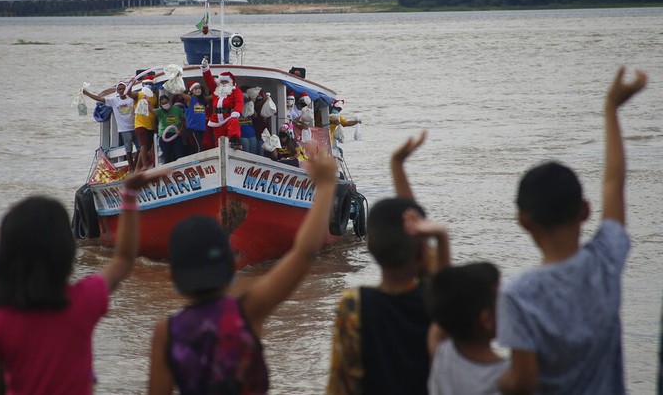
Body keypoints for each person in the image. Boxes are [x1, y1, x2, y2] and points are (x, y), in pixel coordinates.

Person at [497, 67, 647, 395]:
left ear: (523, 220)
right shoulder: (606, 262)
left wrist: (495, 377)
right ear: (585, 211)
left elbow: (522, 383)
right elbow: (614, 183)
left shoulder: (518, 295)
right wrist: (611, 109)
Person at [147, 152, 339, 394]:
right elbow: (303, 253)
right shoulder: (247, 311)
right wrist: (325, 185)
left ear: (172, 276)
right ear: (231, 265)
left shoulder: (167, 333)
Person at [0, 169, 163, 395]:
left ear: (6, 255)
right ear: (65, 252)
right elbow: (124, 259)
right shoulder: (82, 301)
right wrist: (129, 196)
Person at [327, 130, 450, 395]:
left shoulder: (355, 306)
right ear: (422, 251)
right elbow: (442, 279)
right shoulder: (435, 302)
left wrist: (395, 164)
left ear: (369, 247)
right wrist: (398, 165)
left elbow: (341, 384)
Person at [425, 262, 509, 395]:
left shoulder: (443, 355)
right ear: (486, 320)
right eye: (503, 301)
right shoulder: (512, 380)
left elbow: (442, 310)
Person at [82, 82, 135, 168]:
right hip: (124, 129)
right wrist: (87, 94)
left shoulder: (132, 99)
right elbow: (99, 99)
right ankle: (132, 169)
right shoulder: (114, 101)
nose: (122, 90)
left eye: (123, 88)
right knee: (128, 150)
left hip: (135, 127)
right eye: (119, 89)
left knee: (140, 147)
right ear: (117, 91)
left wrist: (132, 84)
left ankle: (136, 165)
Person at [201, 59, 244, 149]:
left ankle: (235, 141)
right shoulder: (216, 89)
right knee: (219, 139)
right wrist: (205, 68)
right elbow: (209, 80)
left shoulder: (235, 91)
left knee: (234, 122)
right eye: (222, 82)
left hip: (228, 117)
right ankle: (219, 152)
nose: (224, 84)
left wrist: (236, 112)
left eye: (226, 82)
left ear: (230, 82)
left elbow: (239, 102)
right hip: (216, 119)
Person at [129, 76, 158, 171]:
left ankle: (138, 168)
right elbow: (129, 93)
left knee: (147, 146)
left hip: (150, 125)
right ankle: (144, 165)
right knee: (144, 145)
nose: (149, 85)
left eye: (151, 83)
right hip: (140, 124)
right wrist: (131, 84)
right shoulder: (139, 94)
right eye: (146, 84)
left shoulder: (154, 96)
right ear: (143, 85)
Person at [181, 81, 210, 156]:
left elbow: (212, 96)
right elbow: (182, 94)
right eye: (195, 88)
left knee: (196, 147)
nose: (198, 90)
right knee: (199, 147)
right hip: (193, 128)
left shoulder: (202, 100)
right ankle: (199, 163)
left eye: (199, 88)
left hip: (201, 128)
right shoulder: (190, 99)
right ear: (192, 90)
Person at [155, 95, 185, 164]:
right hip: (164, 136)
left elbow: (183, 119)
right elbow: (152, 111)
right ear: (160, 105)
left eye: (166, 102)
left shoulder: (176, 109)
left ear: (169, 101)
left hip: (175, 135)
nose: (165, 104)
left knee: (179, 155)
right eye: (163, 103)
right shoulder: (160, 111)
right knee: (167, 158)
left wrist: (181, 129)